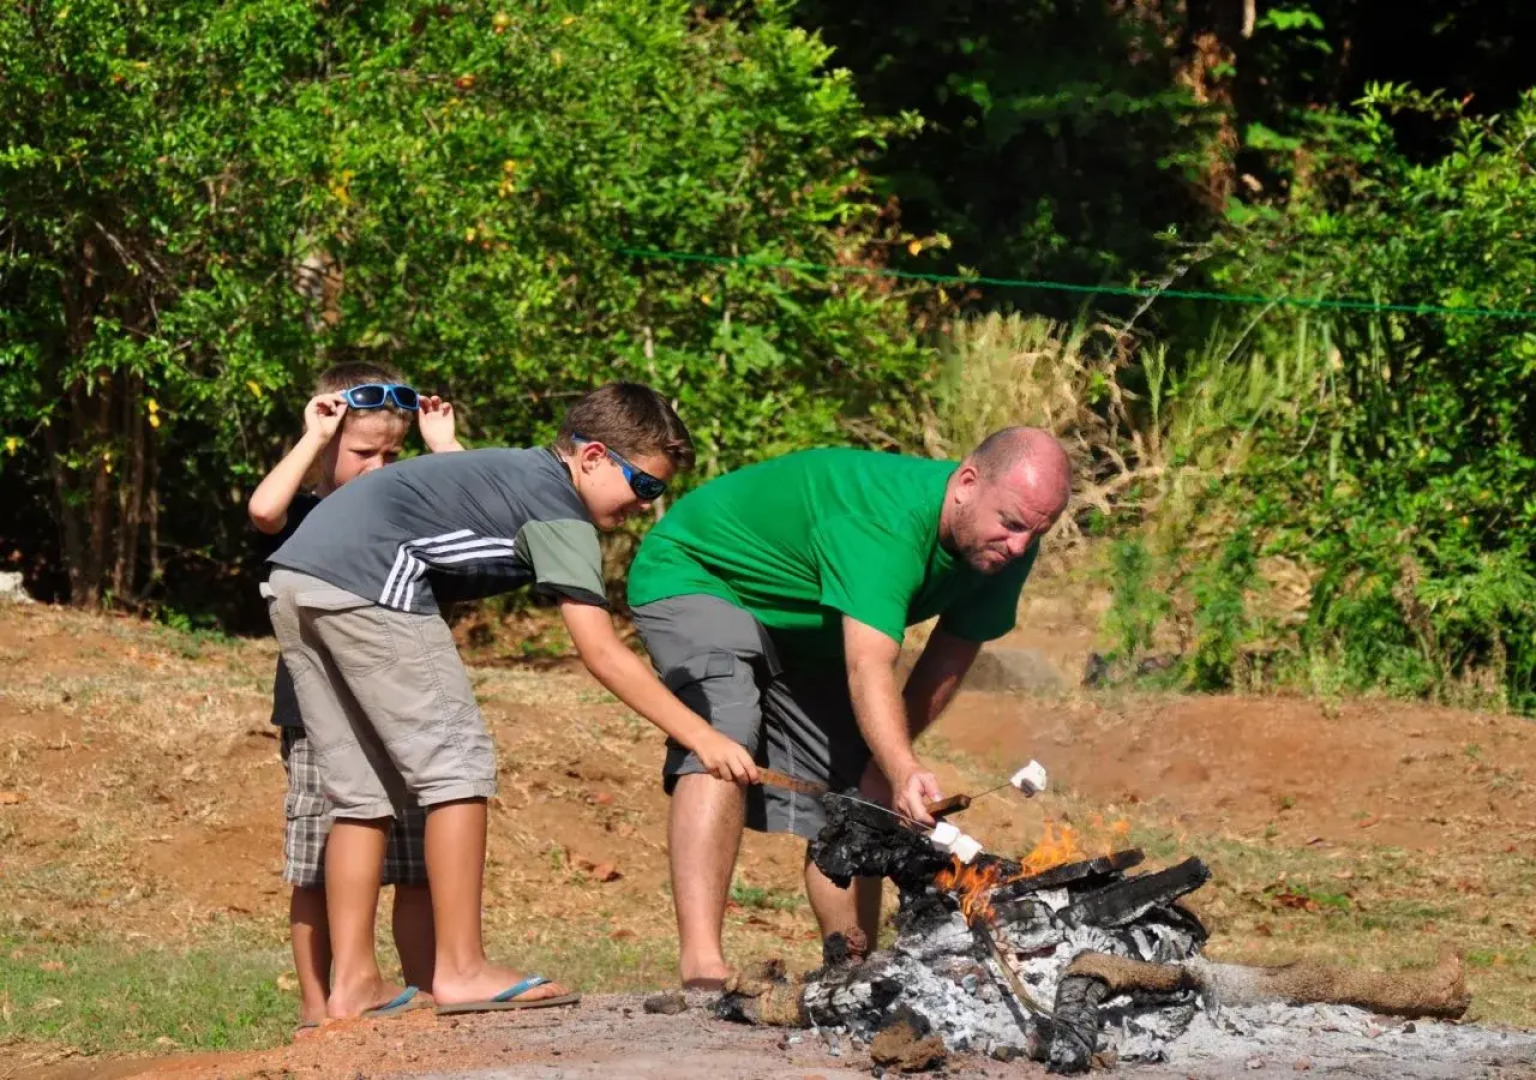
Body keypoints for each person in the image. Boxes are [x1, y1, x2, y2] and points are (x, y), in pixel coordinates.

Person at [262, 381, 758, 1019]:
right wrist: (705, 735)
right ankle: (462, 968)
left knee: (363, 790)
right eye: (646, 485)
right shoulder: (559, 509)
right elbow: (601, 651)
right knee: (457, 768)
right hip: (371, 583)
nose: (646, 505)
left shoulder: (517, 471)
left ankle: (354, 983)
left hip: (295, 578)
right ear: (595, 456)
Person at [625, 427, 1072, 989]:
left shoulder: (1007, 546)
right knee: (726, 723)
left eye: (1038, 531)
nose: (1020, 546)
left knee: (858, 795)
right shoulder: (884, 520)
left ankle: (852, 972)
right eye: (1011, 523)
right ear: (965, 483)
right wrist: (904, 766)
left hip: (804, 626)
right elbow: (868, 665)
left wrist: (888, 767)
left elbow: (949, 655)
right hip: (698, 578)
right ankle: (702, 967)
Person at [250, 360, 464, 1029]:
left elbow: (484, 521)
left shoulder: (411, 518)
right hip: (322, 718)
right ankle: (320, 1010)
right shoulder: (310, 513)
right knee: (318, 867)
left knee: (417, 866)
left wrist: (445, 452)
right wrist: (315, 438)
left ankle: (427, 994)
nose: (380, 467)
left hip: (402, 711)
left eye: (392, 454)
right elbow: (263, 509)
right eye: (364, 452)